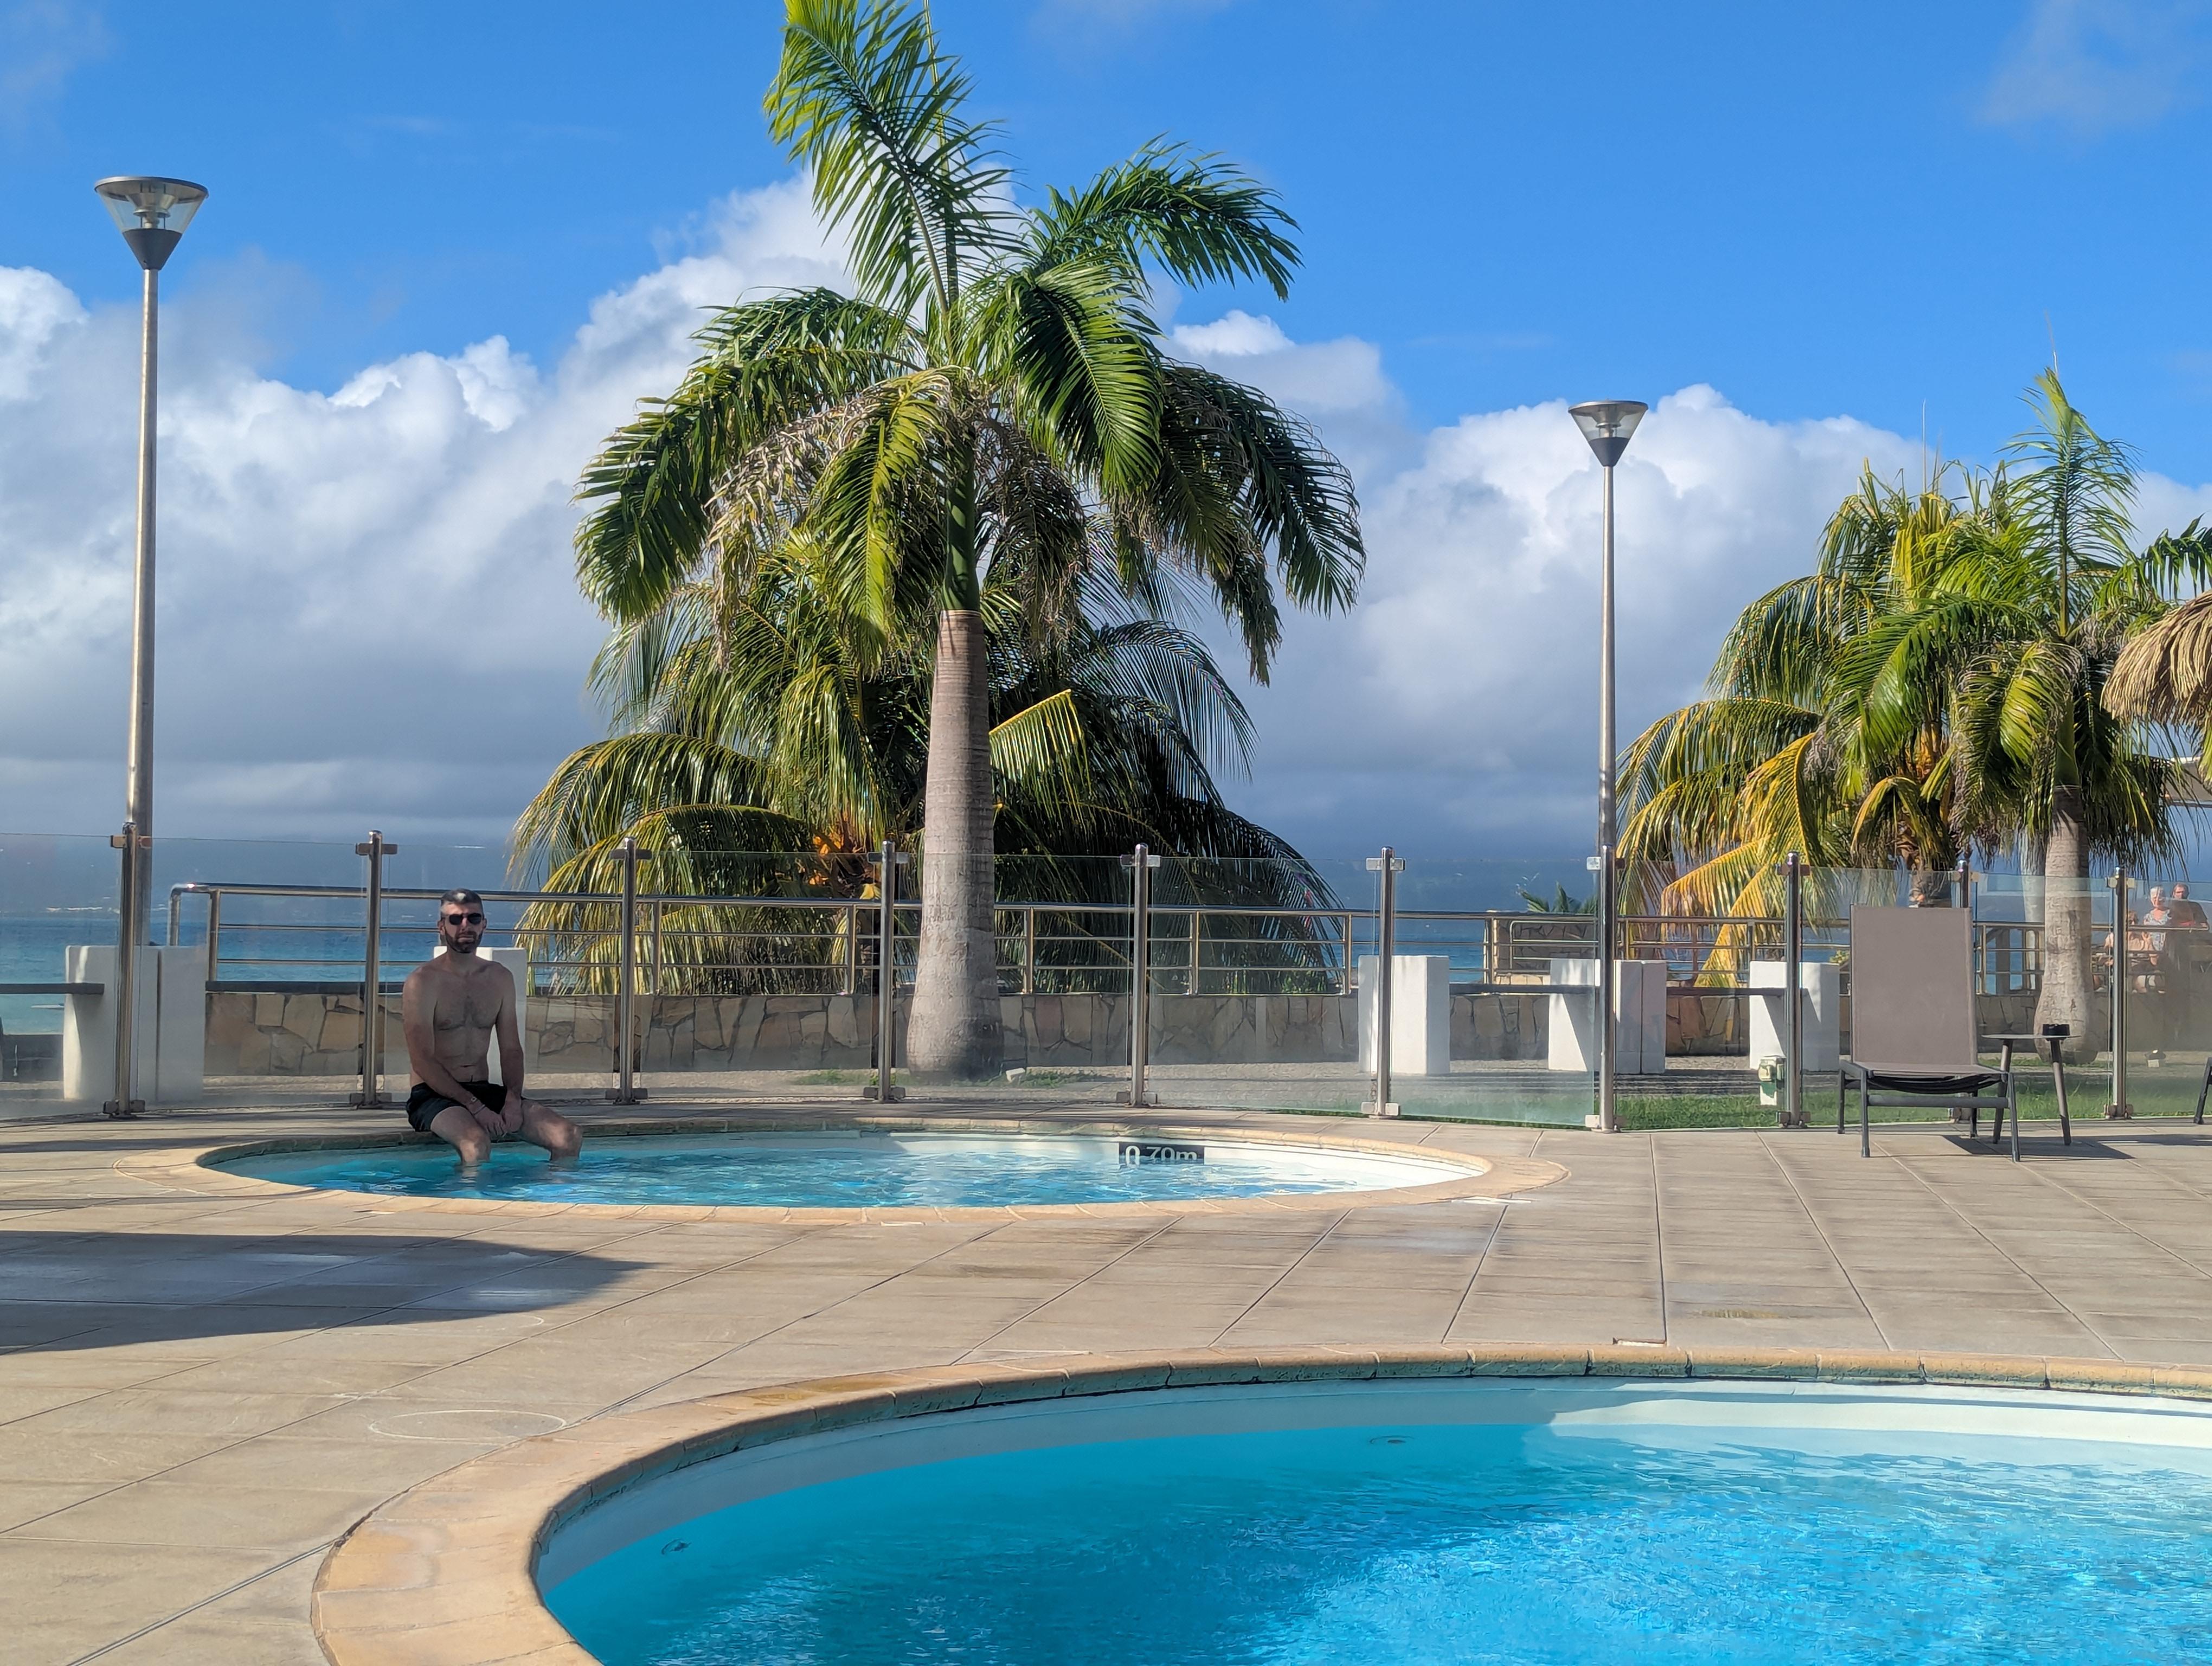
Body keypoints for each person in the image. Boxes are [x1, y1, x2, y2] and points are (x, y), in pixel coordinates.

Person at [402, 889, 581, 1167]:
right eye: (455, 919)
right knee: (475, 1143)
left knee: (568, 1136)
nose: (465, 926)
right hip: (432, 1095)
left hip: (484, 1089)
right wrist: (476, 1108)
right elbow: (422, 1060)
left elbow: (511, 1049)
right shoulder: (422, 982)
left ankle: (555, 1200)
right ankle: (474, 1205)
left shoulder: (499, 978)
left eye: (473, 918)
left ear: (484, 924)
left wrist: (511, 1098)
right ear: (441, 927)